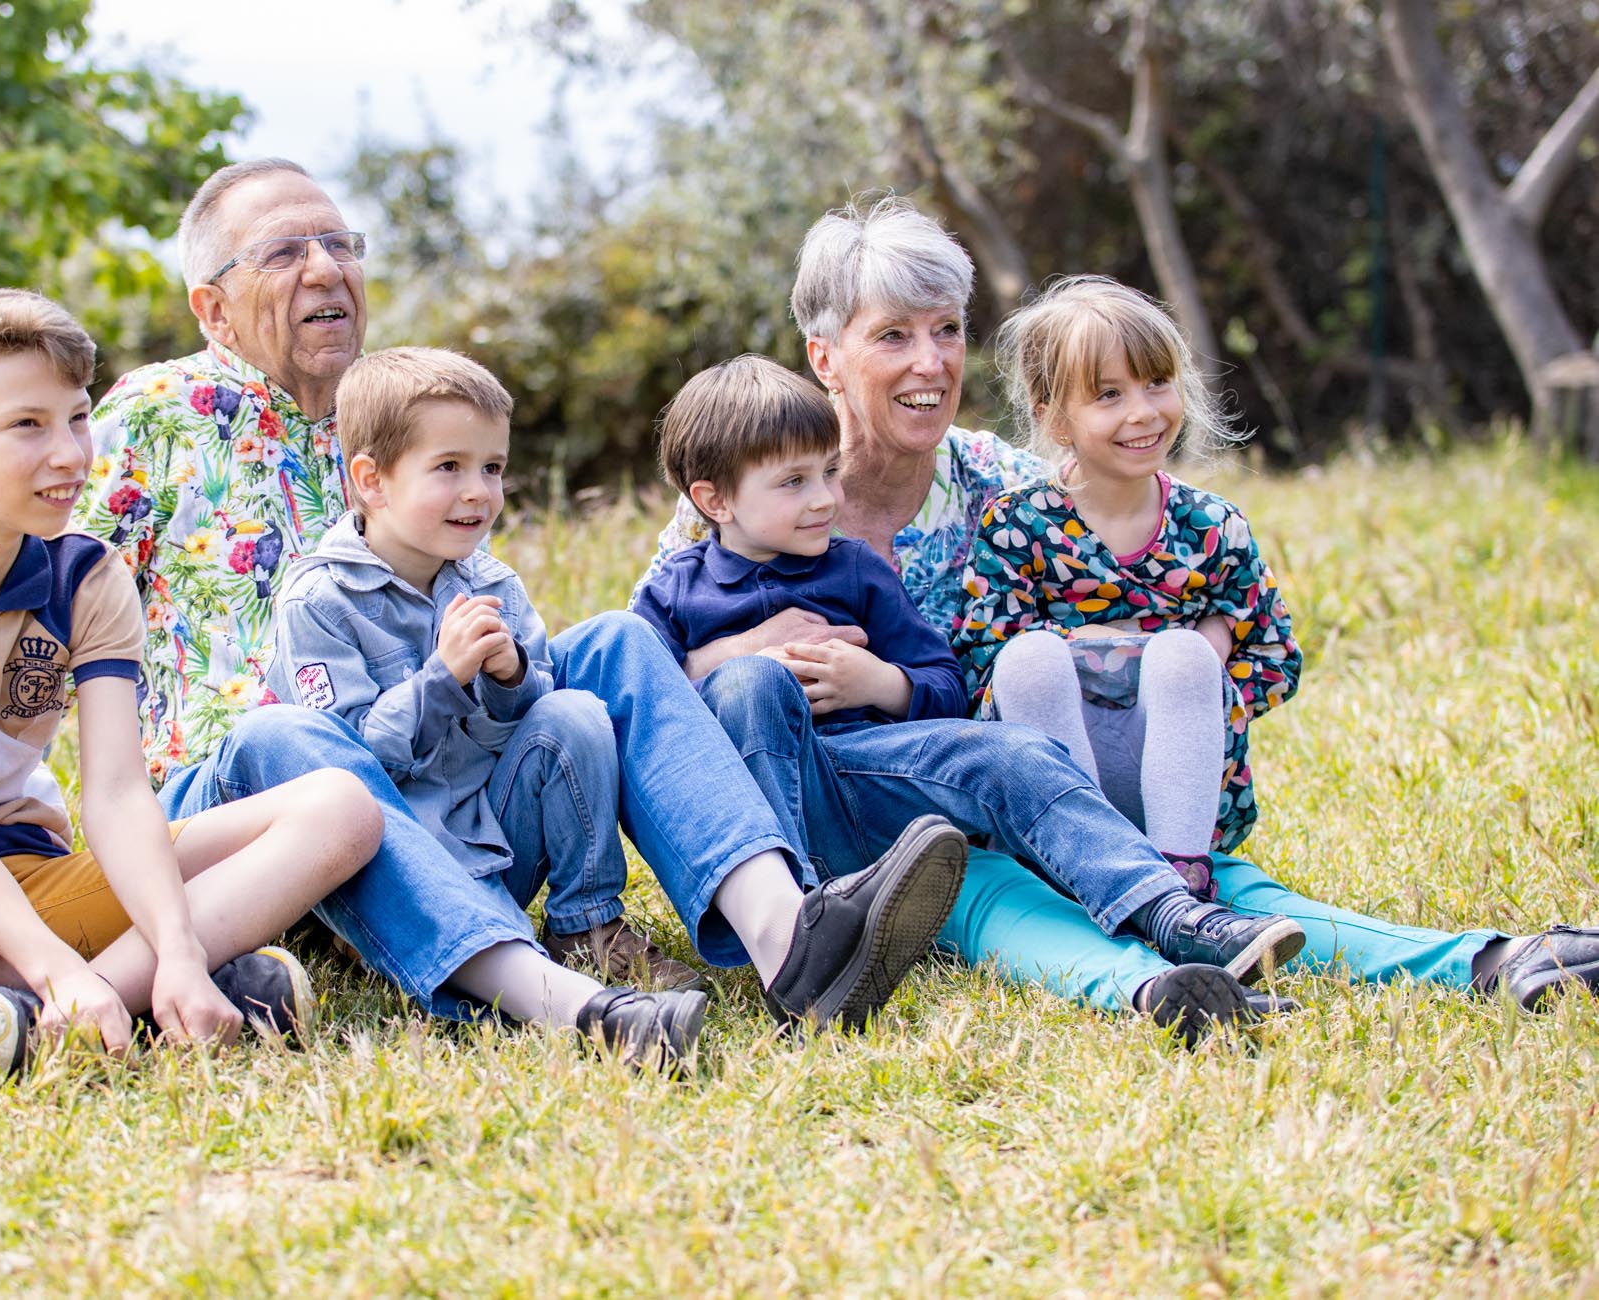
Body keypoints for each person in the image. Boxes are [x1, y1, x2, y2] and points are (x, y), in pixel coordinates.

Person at [647, 195, 1599, 1014]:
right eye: (893, 335)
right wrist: (720, 661)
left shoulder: (1008, 489)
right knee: (1017, 895)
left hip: (1024, 805)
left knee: (1208, 883)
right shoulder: (733, 505)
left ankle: (1494, 959)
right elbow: (644, 701)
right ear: (824, 356)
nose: (931, 361)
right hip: (866, 835)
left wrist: (1207, 632)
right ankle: (1135, 982)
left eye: (947, 329)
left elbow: (1141, 508)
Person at [80, 159, 965, 1036]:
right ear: (212, 307)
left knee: (617, 642)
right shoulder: (156, 415)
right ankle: (532, 988)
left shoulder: (408, 409)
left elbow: (497, 653)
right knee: (286, 731)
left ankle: (790, 934)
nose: (326, 268)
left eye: (340, 244)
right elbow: (30, 611)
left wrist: (501, 673)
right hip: (251, 807)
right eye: (282, 252)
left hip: (439, 790)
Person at [0, 287, 384, 1082]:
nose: (70, 454)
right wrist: (59, 970)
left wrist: (181, 952)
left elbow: (117, 795)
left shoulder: (87, 575)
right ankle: (80, 993)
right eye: (27, 426)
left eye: (78, 418)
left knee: (342, 809)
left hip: (34, 875)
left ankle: (54, 1008)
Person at [632, 354, 1304, 1038]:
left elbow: (947, 685)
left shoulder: (855, 568)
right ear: (714, 500)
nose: (825, 500)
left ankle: (1168, 908)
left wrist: (882, 684)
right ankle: (804, 933)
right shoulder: (675, 594)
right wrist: (727, 659)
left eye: (829, 472)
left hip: (868, 777)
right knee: (753, 683)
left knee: (1013, 752)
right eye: (794, 483)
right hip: (765, 821)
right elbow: (642, 706)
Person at [273, 346, 708, 1065]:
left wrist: (511, 680)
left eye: (493, 468)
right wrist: (440, 679)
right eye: (449, 468)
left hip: (494, 840)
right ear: (371, 480)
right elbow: (342, 763)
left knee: (572, 713)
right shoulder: (320, 602)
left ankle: (587, 927)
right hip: (396, 869)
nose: (478, 491)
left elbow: (532, 729)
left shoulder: (491, 584)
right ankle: (414, 951)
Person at [957, 276, 1297, 876]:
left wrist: (1194, 673)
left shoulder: (1213, 527)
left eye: (1157, 383)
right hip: (1056, 785)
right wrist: (1101, 649)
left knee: (1185, 659)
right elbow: (984, 664)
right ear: (1056, 420)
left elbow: (1276, 658)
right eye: (1108, 395)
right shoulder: (1018, 524)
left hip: (1176, 789)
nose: (1143, 412)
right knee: (1031, 660)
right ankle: (1086, 862)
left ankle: (1180, 875)